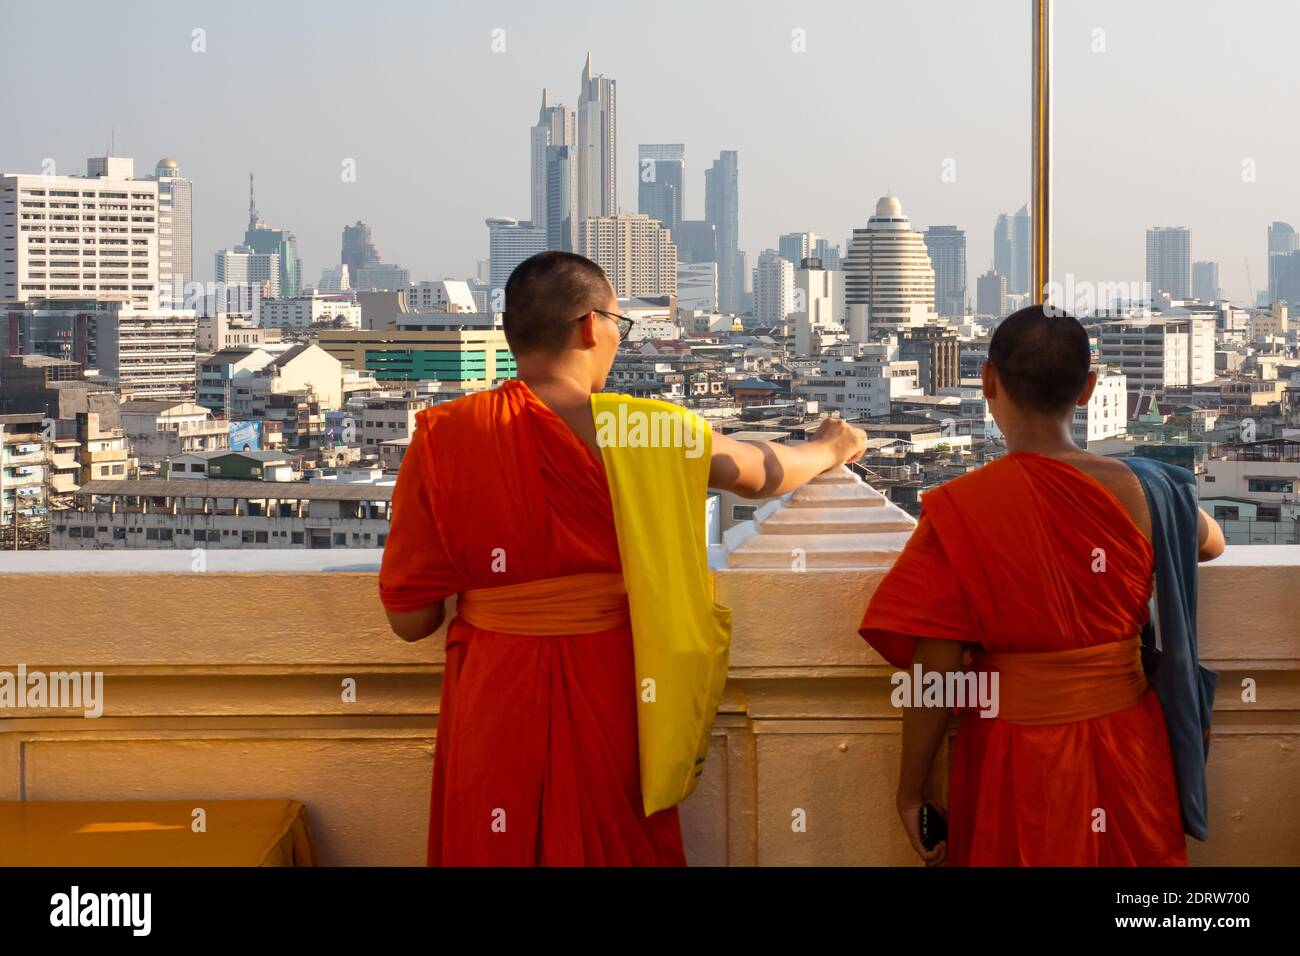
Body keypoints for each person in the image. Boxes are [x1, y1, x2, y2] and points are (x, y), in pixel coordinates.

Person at [379, 250, 866, 866]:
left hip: (492, 699)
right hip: (617, 688)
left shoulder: (446, 435)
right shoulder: (644, 430)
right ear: (591, 326)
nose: (617, 338)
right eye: (619, 323)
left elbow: (411, 620)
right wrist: (829, 446)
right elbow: (760, 472)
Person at [859, 305, 1225, 867]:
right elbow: (1209, 543)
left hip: (1017, 750)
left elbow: (935, 666)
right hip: (1131, 740)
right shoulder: (1151, 490)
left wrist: (911, 791)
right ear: (1088, 389)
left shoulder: (966, 508)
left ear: (986, 380)